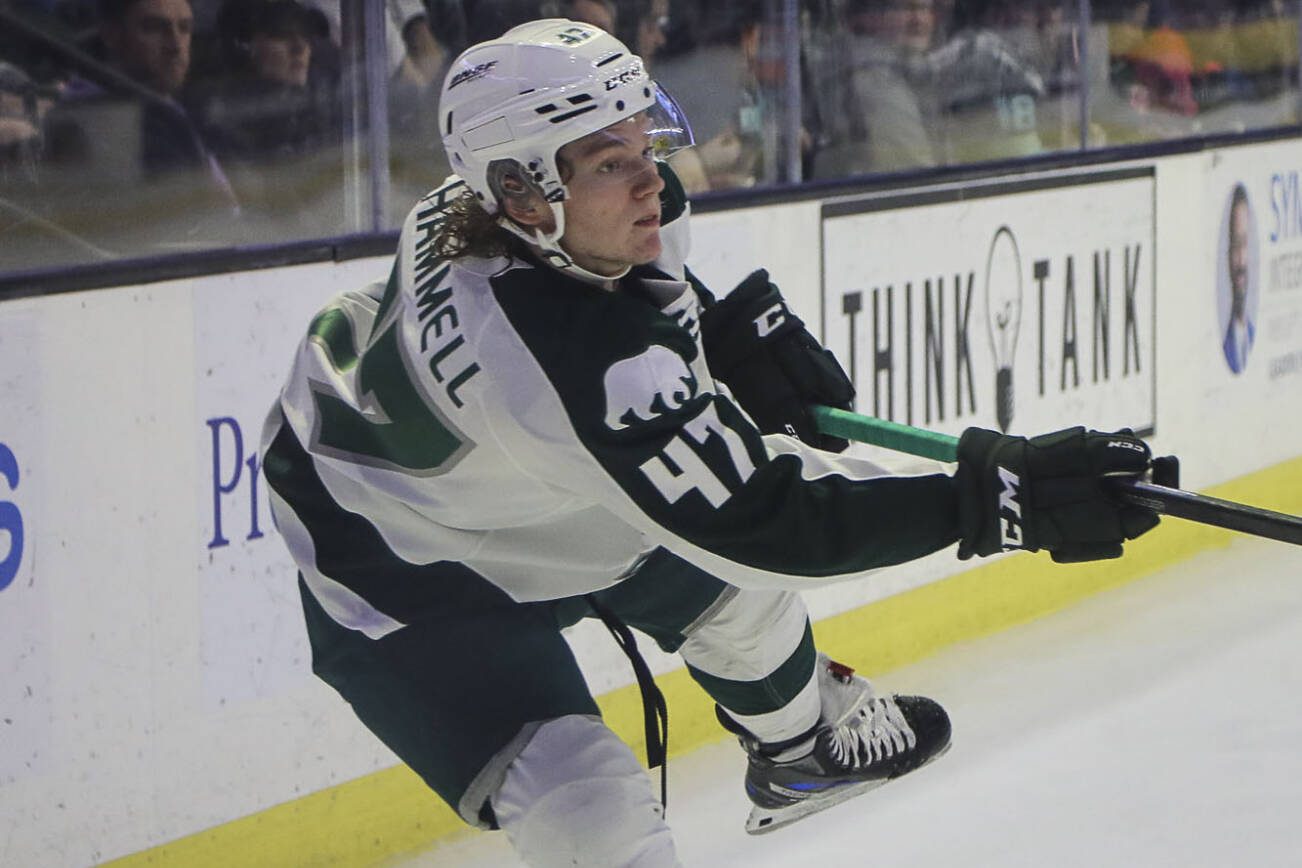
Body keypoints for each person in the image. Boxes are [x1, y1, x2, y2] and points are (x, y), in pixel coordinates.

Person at [261, 19, 1161, 866]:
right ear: (520, 192)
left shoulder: (503, 208)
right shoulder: (549, 369)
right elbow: (777, 520)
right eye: (612, 162)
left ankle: (802, 750)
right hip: (387, 553)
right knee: (589, 802)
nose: (652, 178)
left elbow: (641, 299)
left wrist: (716, 328)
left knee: (731, 585)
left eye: (643, 139)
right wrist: (1004, 498)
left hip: (513, 488)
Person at [1223, 182, 1255, 374]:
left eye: (1245, 244)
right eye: (1236, 245)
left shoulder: (1253, 335)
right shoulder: (1225, 346)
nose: (1241, 261)